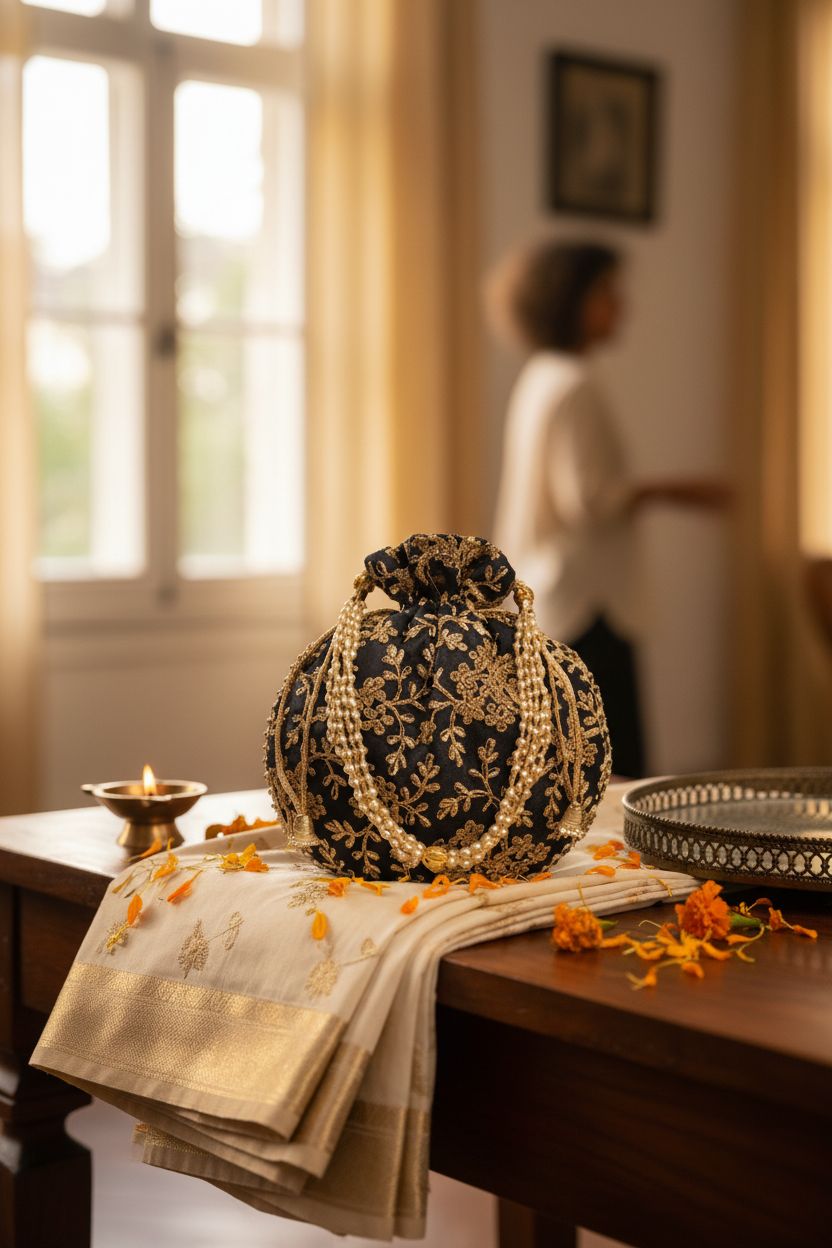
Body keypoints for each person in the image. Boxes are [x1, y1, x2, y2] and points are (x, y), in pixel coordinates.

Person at [488, 237, 727, 777]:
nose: (622, 306)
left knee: (565, 764)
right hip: (590, 603)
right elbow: (590, 501)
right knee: (611, 772)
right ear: (570, 300)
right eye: (608, 293)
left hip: (553, 592)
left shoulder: (541, 377)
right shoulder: (573, 384)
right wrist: (684, 491)